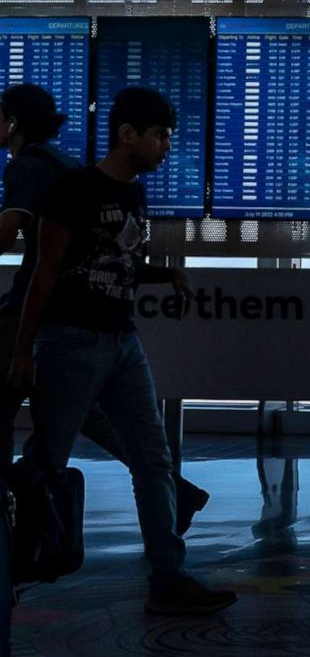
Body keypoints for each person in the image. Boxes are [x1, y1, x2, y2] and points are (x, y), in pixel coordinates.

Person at [7, 86, 235, 615]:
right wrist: (24, 350)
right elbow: (45, 272)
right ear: (126, 134)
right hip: (70, 342)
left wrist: (162, 274)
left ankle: (168, 575)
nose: (165, 146)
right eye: (158, 135)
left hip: (121, 341)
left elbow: (118, 263)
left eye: (168, 136)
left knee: (153, 459)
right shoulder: (74, 189)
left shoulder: (134, 194)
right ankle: (17, 559)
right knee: (47, 461)